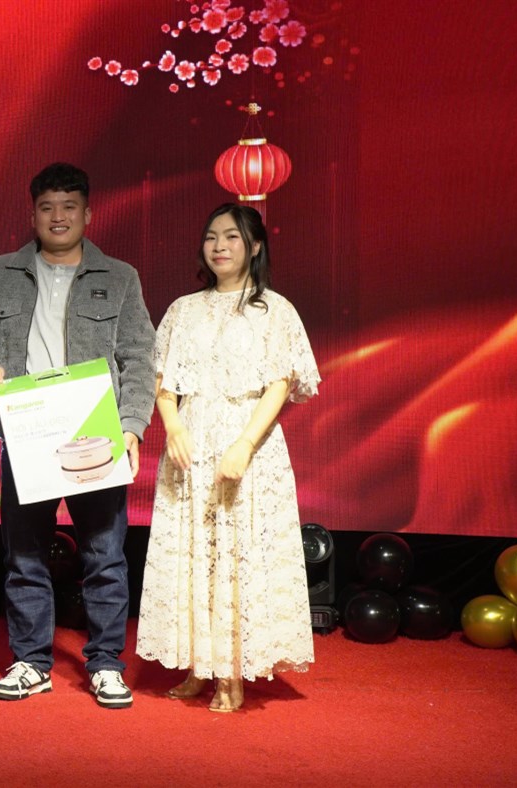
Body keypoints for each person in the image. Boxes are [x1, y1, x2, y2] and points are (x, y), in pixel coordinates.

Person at [0, 163, 155, 708]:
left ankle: (106, 664)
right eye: (47, 207)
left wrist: (132, 427)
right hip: (27, 432)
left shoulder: (120, 276)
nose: (58, 216)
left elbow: (140, 357)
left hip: (96, 434)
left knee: (104, 556)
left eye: (69, 206)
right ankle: (31, 662)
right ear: (33, 214)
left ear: (87, 214)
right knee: (24, 556)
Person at [136, 203, 320, 713]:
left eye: (232, 237)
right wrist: (173, 427)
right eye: (212, 237)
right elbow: (161, 379)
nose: (219, 246)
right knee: (195, 554)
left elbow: (280, 384)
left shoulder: (275, 310)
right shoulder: (183, 309)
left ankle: (232, 672)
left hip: (249, 446)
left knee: (239, 556)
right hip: (190, 445)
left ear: (255, 246)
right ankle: (200, 665)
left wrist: (243, 445)